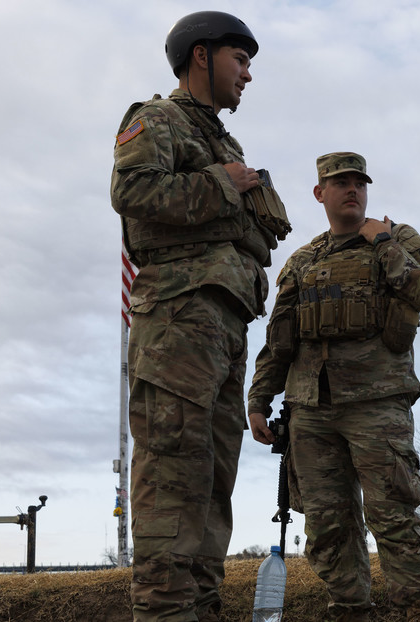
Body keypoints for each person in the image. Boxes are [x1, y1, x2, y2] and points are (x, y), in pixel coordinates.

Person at [111, 11, 290, 622]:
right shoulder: (156, 119)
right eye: (240, 60)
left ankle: (202, 609)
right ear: (201, 57)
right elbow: (132, 194)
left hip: (225, 324)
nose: (247, 75)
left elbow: (257, 235)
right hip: (179, 320)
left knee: (213, 481)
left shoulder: (223, 140)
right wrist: (222, 183)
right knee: (172, 478)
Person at [248, 152, 420, 622]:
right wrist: (258, 399)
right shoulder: (301, 261)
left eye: (359, 182)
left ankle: (416, 611)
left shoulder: (399, 238)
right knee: (327, 525)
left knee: (393, 516)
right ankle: (350, 608)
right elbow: (280, 337)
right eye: (340, 183)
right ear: (321, 193)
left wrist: (384, 244)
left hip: (376, 401)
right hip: (311, 409)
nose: (352, 189)